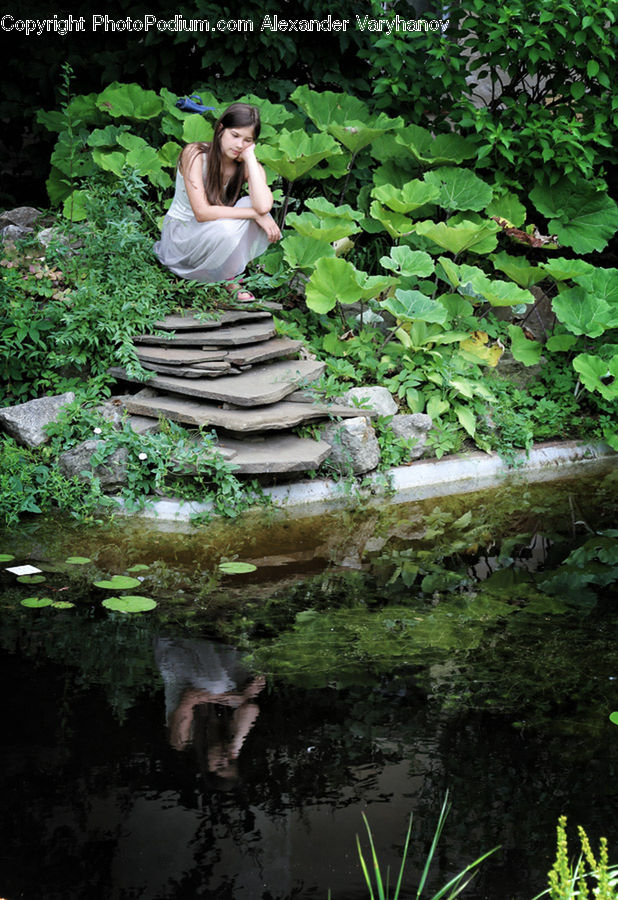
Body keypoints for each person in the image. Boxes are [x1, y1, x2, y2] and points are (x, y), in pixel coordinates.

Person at [153, 102, 281, 301]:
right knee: (237, 222)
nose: (240, 145)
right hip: (182, 238)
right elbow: (202, 213)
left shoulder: (245, 163)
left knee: (250, 202)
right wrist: (256, 215)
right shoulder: (195, 154)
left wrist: (250, 159)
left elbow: (263, 205)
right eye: (235, 135)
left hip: (215, 233)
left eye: (248, 140)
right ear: (221, 129)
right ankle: (226, 279)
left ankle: (227, 277)